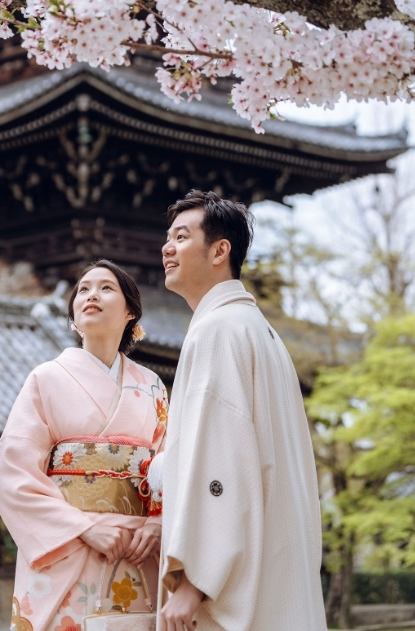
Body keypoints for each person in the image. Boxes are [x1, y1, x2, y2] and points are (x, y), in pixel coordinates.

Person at [156, 190, 325, 631]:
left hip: (233, 587)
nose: (166, 248)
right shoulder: (260, 332)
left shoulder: (217, 330)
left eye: (180, 236)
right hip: (278, 564)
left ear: (219, 250)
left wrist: (195, 581)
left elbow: (222, 466)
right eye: (167, 238)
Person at [0, 260, 168, 631]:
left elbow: (169, 462)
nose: (91, 295)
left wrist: (157, 524)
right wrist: (83, 528)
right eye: (83, 290)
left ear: (130, 312)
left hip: (136, 547)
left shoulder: (153, 387)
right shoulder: (46, 379)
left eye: (106, 288)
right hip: (67, 543)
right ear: (73, 317)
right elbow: (14, 473)